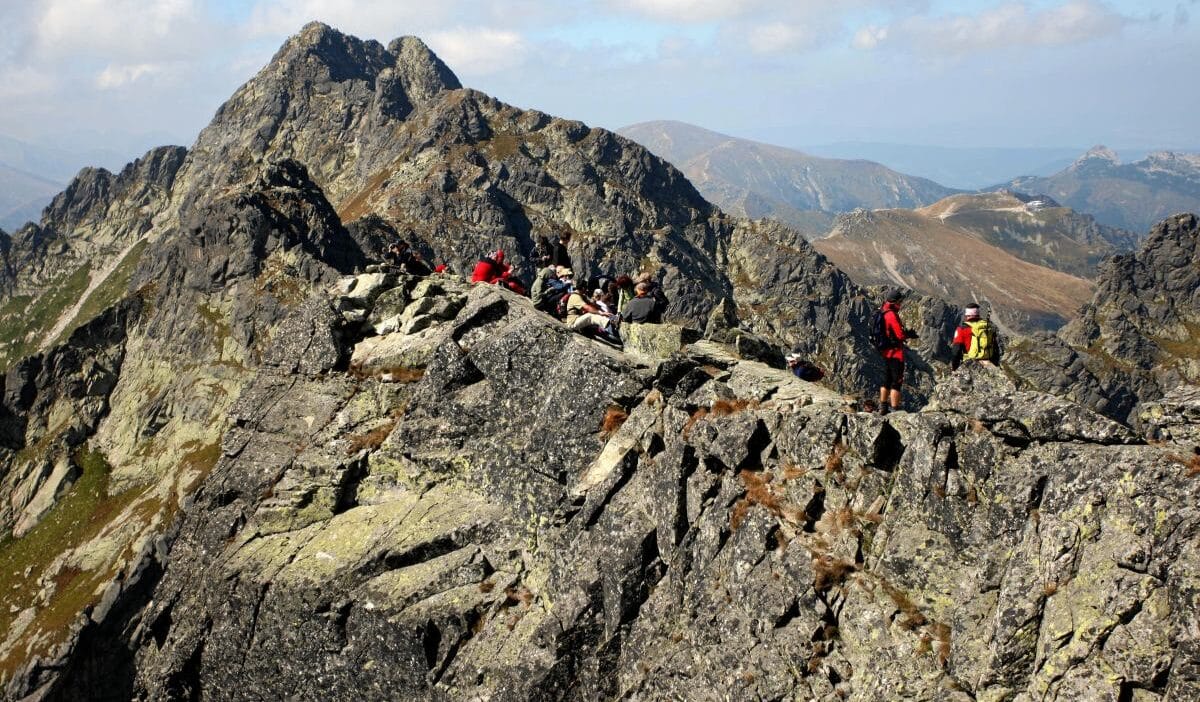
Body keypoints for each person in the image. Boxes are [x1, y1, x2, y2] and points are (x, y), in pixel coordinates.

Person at [874, 288, 918, 415]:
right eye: (900, 301)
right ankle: (894, 409)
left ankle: (883, 406)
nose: (901, 303)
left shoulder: (883, 311)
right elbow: (899, 335)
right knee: (896, 381)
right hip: (895, 353)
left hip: (886, 352)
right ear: (896, 301)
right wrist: (908, 334)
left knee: (886, 379)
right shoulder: (891, 315)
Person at [950, 303, 1001, 369]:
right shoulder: (987, 326)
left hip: (970, 362)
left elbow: (956, 349)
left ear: (967, 314)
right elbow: (995, 346)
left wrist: (954, 367)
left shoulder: (962, 329)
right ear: (978, 313)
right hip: (988, 359)